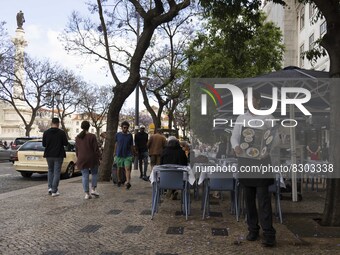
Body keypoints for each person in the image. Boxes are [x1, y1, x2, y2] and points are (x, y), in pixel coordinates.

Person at [230, 91, 276, 247]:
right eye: (244, 100)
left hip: (262, 161)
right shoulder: (241, 118)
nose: (246, 102)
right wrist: (236, 146)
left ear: (258, 100)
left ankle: (269, 233)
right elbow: (234, 136)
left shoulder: (268, 117)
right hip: (245, 161)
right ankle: (253, 230)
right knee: (248, 199)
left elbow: (273, 138)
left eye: (249, 100)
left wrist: (268, 150)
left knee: (263, 199)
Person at [43, 118, 68, 197]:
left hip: (48, 154)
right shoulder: (61, 133)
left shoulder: (46, 132)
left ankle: (50, 188)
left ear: (51, 123)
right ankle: (54, 190)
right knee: (57, 172)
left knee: (50, 170)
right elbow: (65, 143)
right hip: (58, 154)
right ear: (58, 123)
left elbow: (44, 144)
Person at [75, 121, 101, 199]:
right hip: (92, 158)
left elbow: (77, 149)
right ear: (89, 127)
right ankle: (93, 189)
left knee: (84, 175)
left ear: (81, 127)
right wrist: (99, 157)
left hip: (82, 158)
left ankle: (87, 194)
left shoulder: (77, 137)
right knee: (94, 174)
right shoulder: (92, 136)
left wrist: (78, 157)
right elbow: (96, 149)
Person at [114, 121, 134, 189]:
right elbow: (116, 144)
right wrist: (114, 153)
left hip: (127, 155)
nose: (125, 129)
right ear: (122, 127)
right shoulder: (118, 134)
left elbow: (131, 145)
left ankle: (128, 182)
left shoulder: (130, 135)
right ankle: (119, 180)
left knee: (127, 168)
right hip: (119, 154)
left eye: (127, 128)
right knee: (119, 168)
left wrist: (133, 153)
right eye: (124, 127)